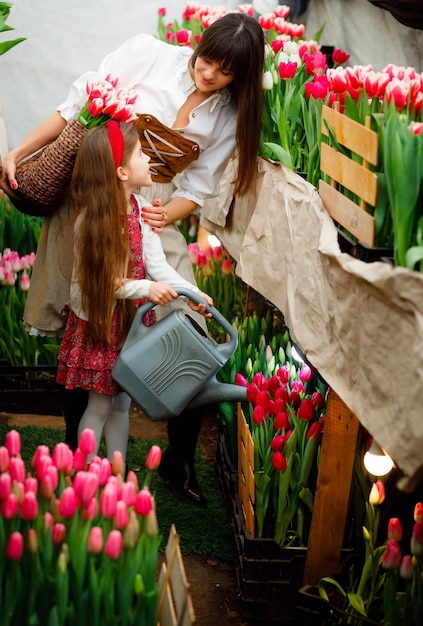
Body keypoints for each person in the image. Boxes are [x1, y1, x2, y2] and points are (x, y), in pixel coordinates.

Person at [1, 12, 265, 505]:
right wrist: (18, 151)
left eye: (224, 71)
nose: (207, 74)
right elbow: (76, 108)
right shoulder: (148, 54)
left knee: (188, 323)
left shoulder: (229, 116)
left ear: (241, 77)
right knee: (82, 319)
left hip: (152, 209)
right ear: (198, 45)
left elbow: (199, 189)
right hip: (94, 197)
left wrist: (163, 215)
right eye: (206, 59)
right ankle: (73, 451)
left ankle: (179, 461)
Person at [57, 120, 213, 464]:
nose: (148, 160)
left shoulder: (140, 209)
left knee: (122, 404)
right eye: (141, 154)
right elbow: (107, 283)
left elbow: (158, 265)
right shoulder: (93, 221)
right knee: (99, 404)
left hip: (131, 324)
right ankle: (80, 475)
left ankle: (116, 475)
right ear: (121, 171)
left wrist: (192, 294)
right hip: (103, 322)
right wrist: (148, 288)